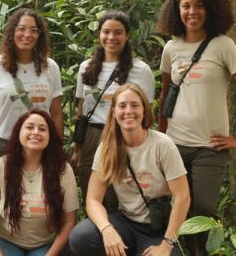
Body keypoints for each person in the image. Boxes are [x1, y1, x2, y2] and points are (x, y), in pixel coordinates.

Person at [156, 0, 236, 255]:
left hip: (209, 147)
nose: (192, 12)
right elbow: (166, 95)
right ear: (176, 10)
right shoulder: (171, 48)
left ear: (211, 8)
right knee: (178, 205)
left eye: (199, 6)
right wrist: (159, 136)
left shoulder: (223, 45)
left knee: (204, 208)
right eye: (186, 6)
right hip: (174, 144)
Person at [69, 84, 190, 256]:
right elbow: (93, 200)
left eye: (135, 105)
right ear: (114, 112)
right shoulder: (106, 148)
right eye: (122, 106)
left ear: (144, 110)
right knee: (81, 237)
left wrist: (167, 243)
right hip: (126, 223)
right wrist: (107, 230)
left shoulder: (162, 144)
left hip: (158, 228)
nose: (128, 111)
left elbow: (182, 197)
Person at [72, 10, 156, 210]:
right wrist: (77, 148)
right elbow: (81, 109)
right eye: (106, 31)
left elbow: (147, 114)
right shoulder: (86, 67)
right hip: (92, 135)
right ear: (99, 34)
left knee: (121, 188)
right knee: (90, 186)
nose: (111, 38)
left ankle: (121, 233)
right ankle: (96, 234)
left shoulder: (141, 70)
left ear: (127, 36)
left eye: (118, 32)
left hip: (123, 134)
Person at [0, 109, 78, 256]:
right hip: (6, 241)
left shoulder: (62, 170)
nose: (36, 132)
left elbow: (69, 222)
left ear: (50, 136)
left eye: (42, 129)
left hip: (45, 244)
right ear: (18, 133)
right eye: (29, 127)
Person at [0, 8, 63, 159]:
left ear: (39, 35)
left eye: (33, 30)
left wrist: (57, 150)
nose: (27, 35)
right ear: (12, 32)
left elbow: (56, 112)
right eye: (21, 29)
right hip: (6, 145)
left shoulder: (50, 67)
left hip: (41, 145)